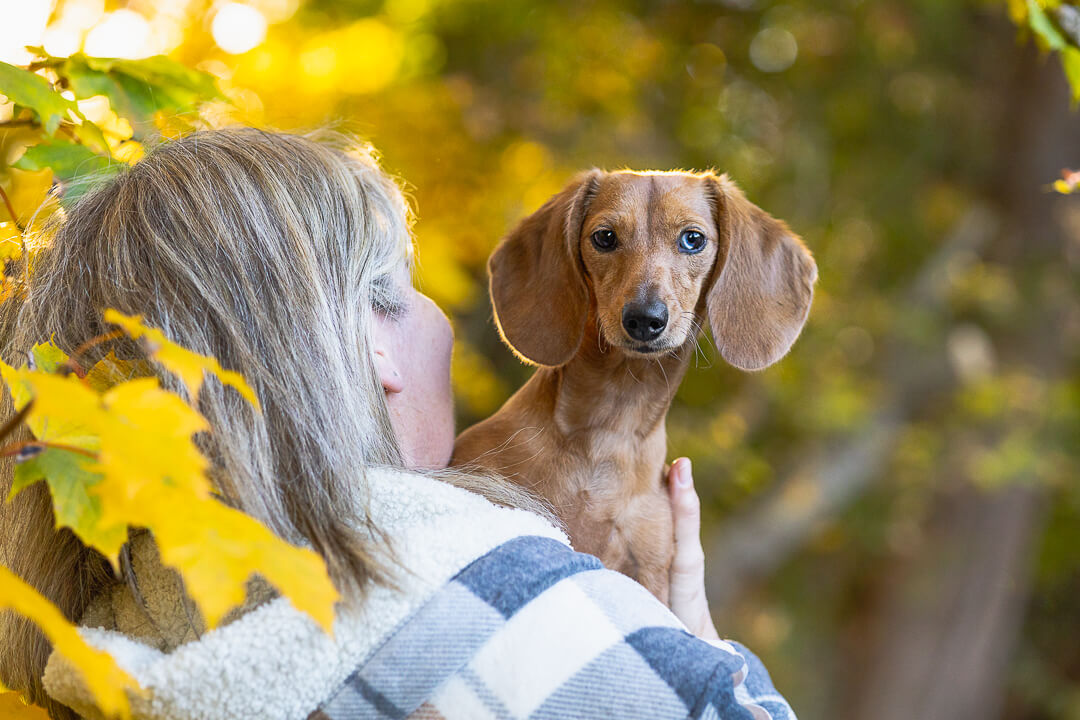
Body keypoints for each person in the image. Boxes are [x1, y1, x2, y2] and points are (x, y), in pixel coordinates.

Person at [0, 128, 795, 720]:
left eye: (689, 244)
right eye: (404, 286)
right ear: (370, 345)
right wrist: (699, 647)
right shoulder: (491, 587)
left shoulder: (118, 631)